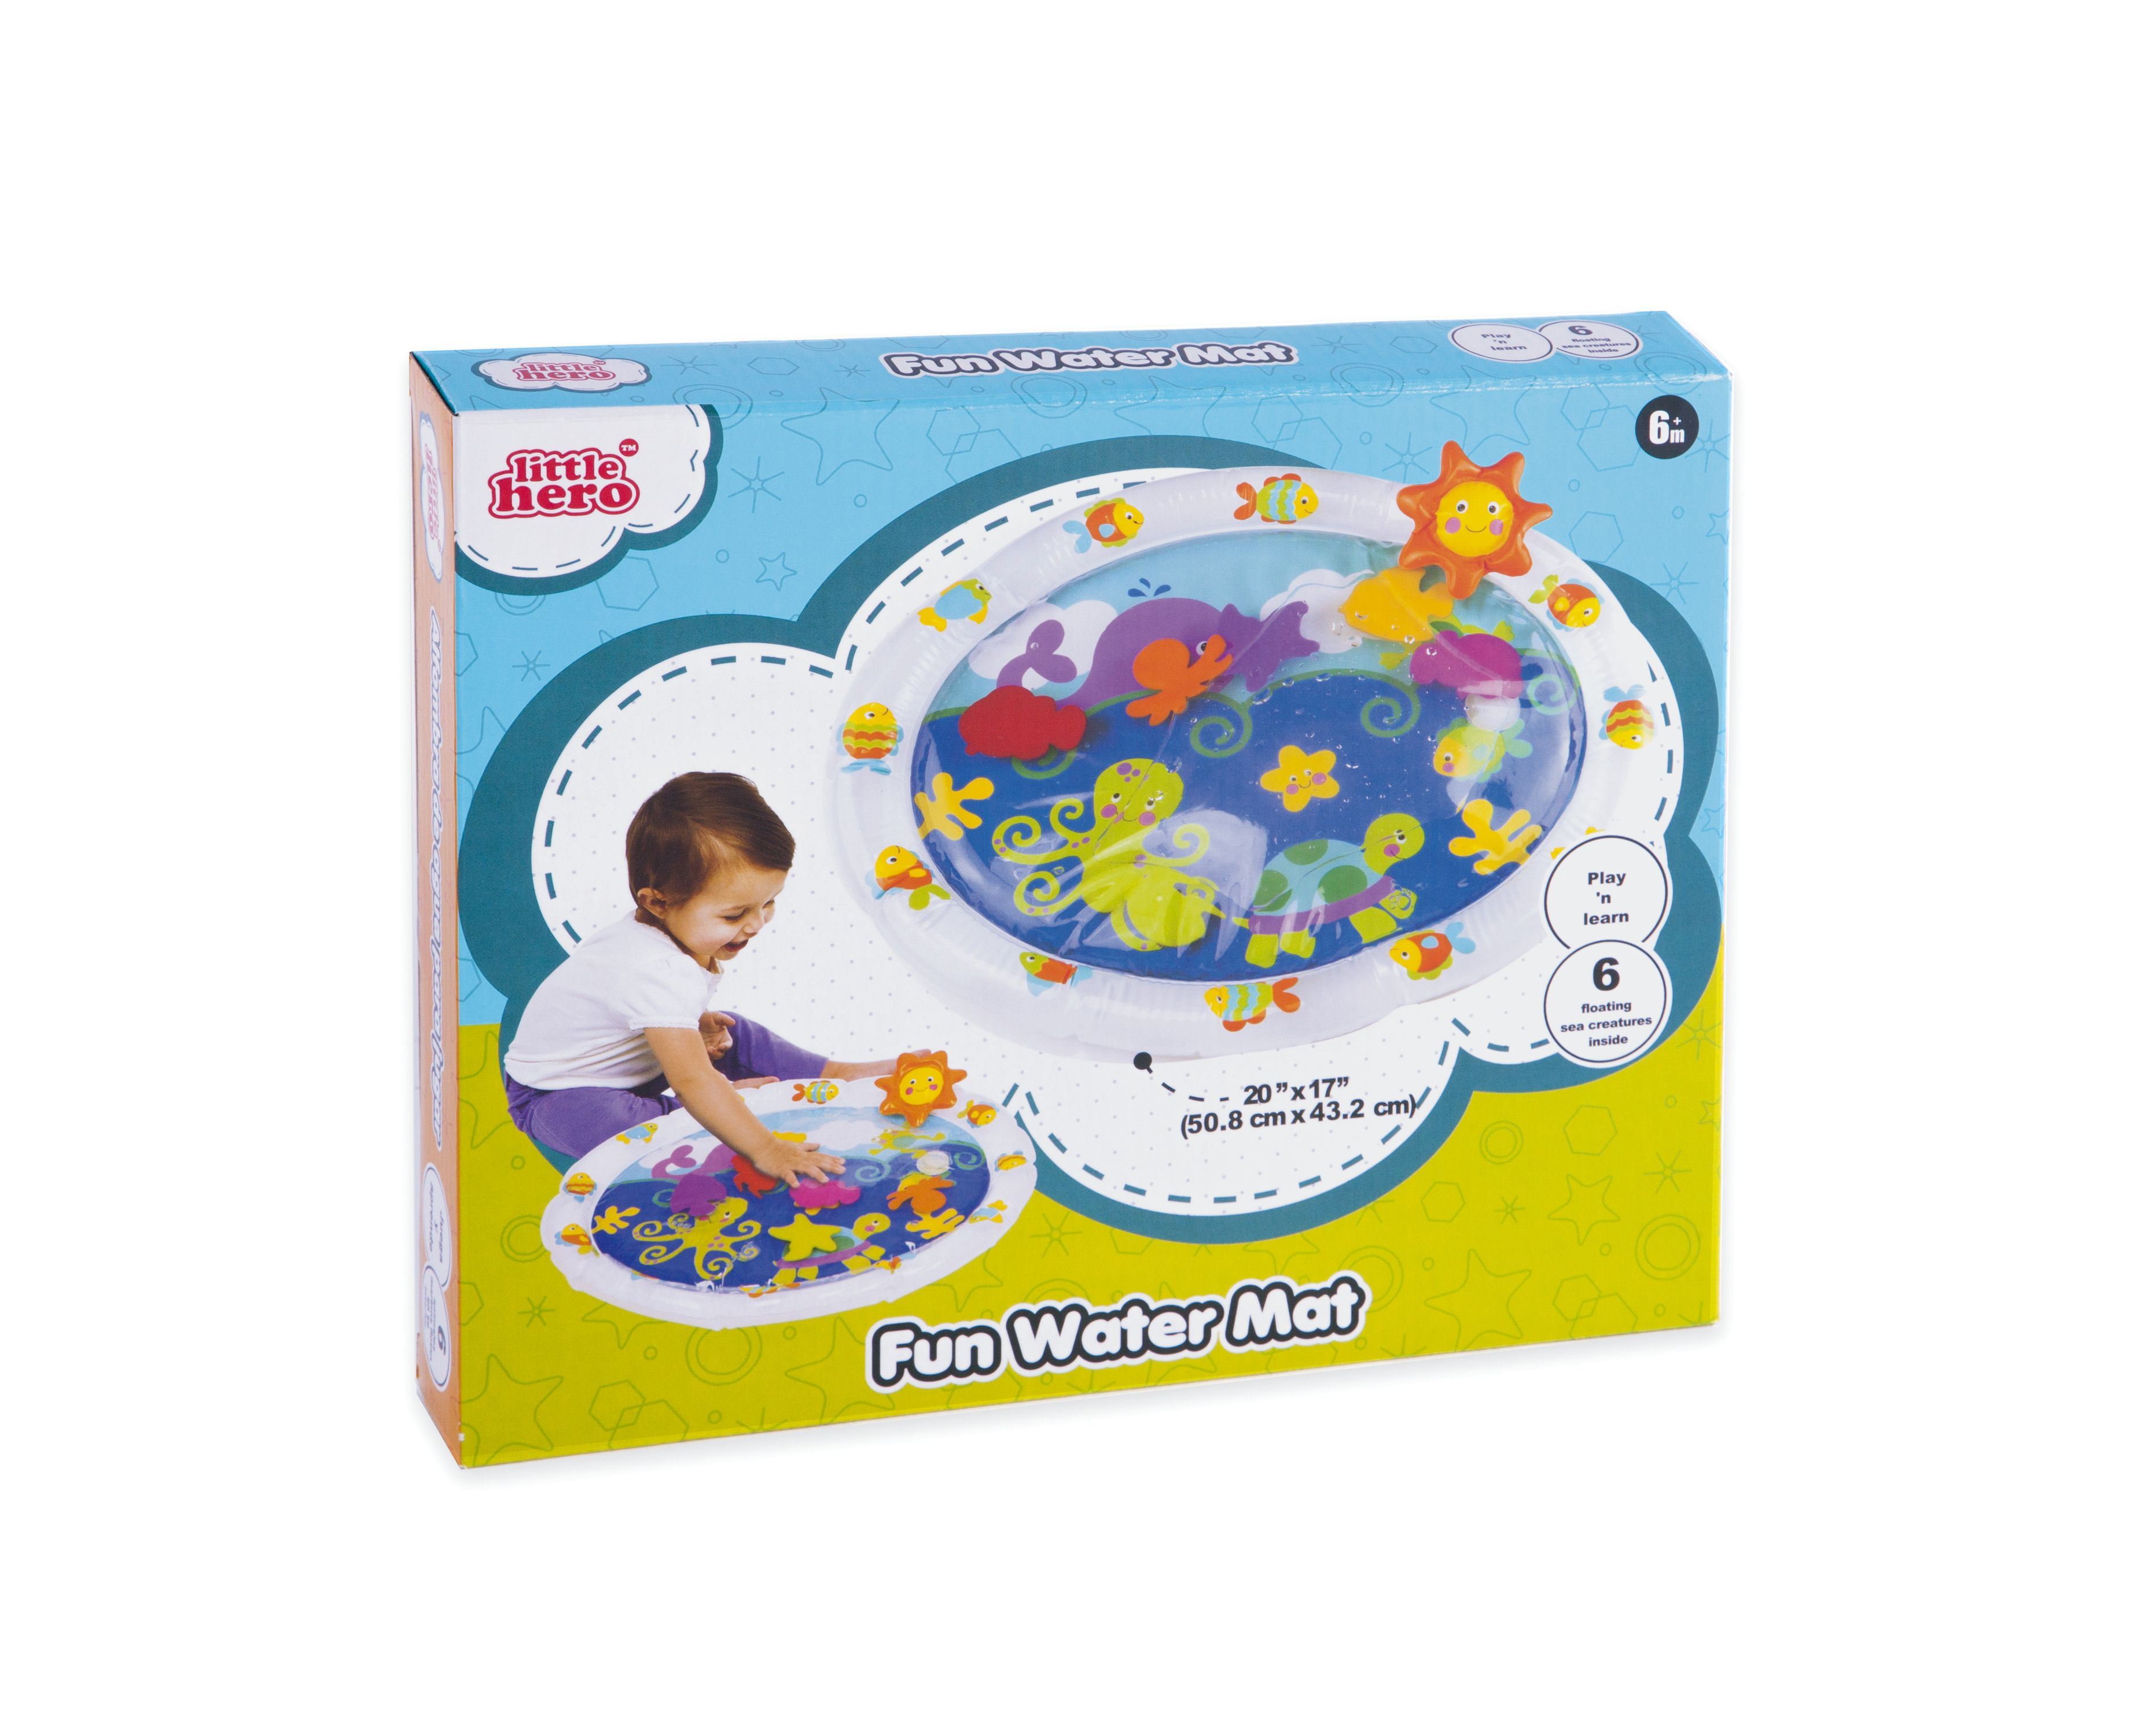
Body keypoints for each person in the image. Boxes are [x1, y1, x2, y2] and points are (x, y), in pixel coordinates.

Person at [503, 771, 890, 1181]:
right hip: (555, 1096)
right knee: (628, 1125)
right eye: (734, 915)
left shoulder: (666, 937)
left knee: (734, 1033)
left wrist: (696, 1021)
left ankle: (835, 1074)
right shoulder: (656, 968)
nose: (756, 924)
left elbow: (633, 1008)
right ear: (658, 903)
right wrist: (766, 1148)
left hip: (629, 1069)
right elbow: (691, 1079)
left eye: (769, 903)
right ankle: (696, 1119)